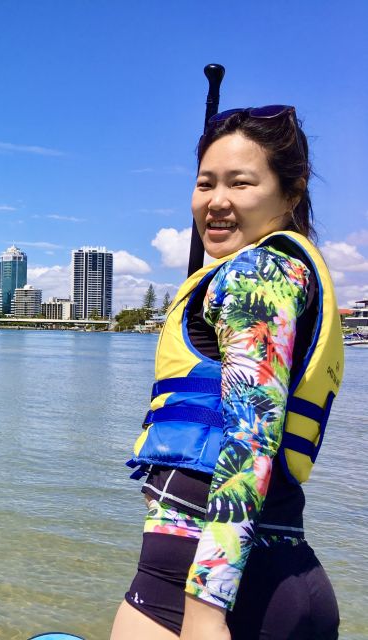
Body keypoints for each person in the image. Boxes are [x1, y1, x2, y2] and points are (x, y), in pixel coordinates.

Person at [111, 106, 344, 640]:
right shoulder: (270, 270)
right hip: (269, 575)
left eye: (241, 183)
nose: (217, 201)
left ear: (291, 193)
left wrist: (205, 611)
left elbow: (249, 443)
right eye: (205, 183)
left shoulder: (258, 273)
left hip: (202, 595)